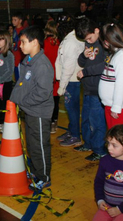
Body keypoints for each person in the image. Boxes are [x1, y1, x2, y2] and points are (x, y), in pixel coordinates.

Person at [10, 25, 54, 191]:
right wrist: (14, 100)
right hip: (29, 111)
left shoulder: (42, 65)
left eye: (23, 42)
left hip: (39, 113)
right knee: (32, 144)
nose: (20, 46)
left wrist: (24, 102)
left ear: (35, 42)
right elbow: (22, 84)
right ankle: (36, 171)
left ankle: (44, 177)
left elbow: (43, 93)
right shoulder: (27, 61)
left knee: (40, 146)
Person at [93, 124, 123, 221]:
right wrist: (100, 200)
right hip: (107, 206)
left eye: (114, 145)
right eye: (108, 143)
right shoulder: (104, 161)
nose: (109, 148)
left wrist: (120, 209)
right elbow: (99, 182)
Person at [75, 18, 108, 162]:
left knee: (97, 121)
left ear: (97, 30)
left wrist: (87, 71)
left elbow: (105, 66)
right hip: (87, 88)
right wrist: (84, 56)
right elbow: (81, 62)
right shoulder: (88, 44)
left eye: (89, 37)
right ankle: (88, 143)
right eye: (86, 39)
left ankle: (99, 149)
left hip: (98, 89)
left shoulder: (104, 44)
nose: (88, 41)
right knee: (86, 119)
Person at [97, 23, 123, 129]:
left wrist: (116, 107)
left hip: (122, 107)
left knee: (121, 141)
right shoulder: (116, 54)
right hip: (111, 105)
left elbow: (121, 84)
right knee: (114, 140)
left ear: (107, 42)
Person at [55, 16, 85, 147]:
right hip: (70, 80)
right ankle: (71, 131)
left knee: (71, 108)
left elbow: (68, 66)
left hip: (70, 81)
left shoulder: (71, 42)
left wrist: (62, 86)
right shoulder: (70, 39)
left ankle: (75, 136)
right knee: (70, 108)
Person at [43, 20, 60, 133]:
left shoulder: (45, 43)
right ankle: (54, 122)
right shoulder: (58, 42)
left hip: (47, 75)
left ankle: (49, 122)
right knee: (56, 100)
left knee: (48, 100)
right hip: (57, 74)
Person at [12, 12, 25, 81]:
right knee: (17, 77)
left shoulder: (23, 31)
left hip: (20, 58)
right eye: (12, 20)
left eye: (15, 20)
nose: (13, 22)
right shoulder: (14, 30)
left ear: (20, 21)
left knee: (20, 79)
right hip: (15, 57)